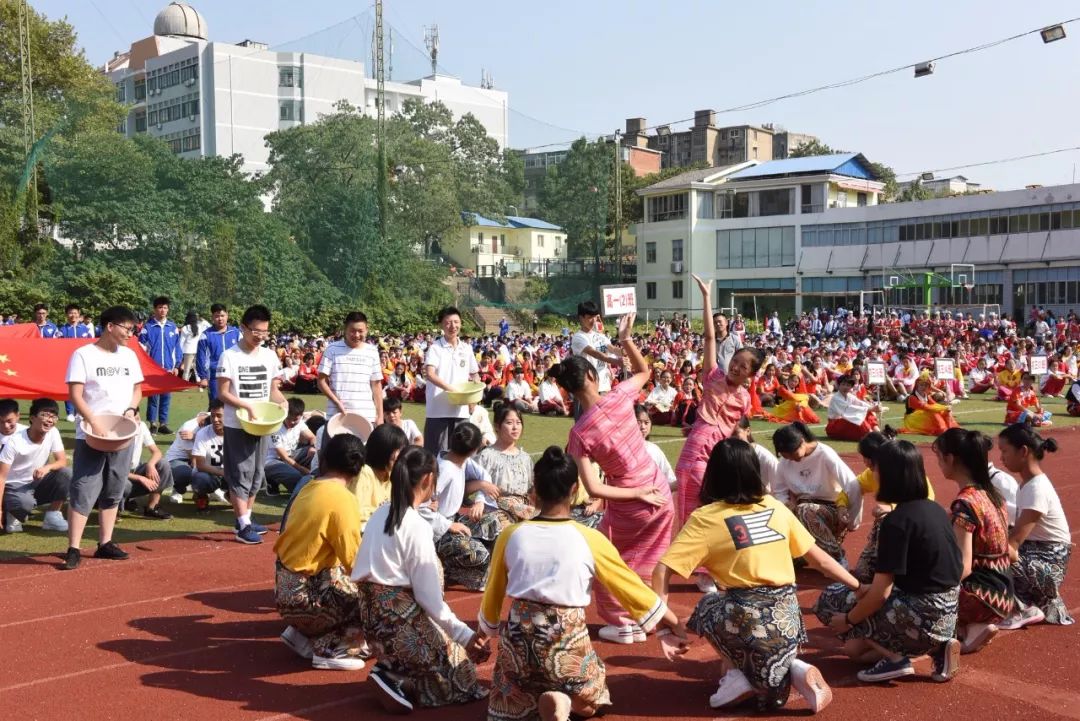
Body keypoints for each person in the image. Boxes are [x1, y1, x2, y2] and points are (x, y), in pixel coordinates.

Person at [481, 446, 688, 721]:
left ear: (535, 489)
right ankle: (565, 701)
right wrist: (669, 623)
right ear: (575, 489)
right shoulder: (590, 538)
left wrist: (486, 631)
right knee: (593, 701)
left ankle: (531, 699)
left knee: (510, 705)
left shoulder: (511, 534)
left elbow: (494, 590)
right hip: (564, 637)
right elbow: (629, 587)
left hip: (519, 636)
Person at [654, 438, 858, 713]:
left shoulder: (706, 518)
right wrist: (858, 585)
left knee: (707, 605)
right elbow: (821, 559)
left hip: (745, 615)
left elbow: (662, 569)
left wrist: (663, 625)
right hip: (788, 617)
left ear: (714, 474)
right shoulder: (775, 508)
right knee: (770, 699)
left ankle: (740, 676)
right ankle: (790, 666)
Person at [549, 312, 671, 644]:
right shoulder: (620, 397)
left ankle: (622, 623)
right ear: (592, 375)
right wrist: (626, 338)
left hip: (633, 499)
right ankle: (643, 617)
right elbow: (645, 371)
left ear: (569, 390)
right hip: (658, 488)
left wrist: (635, 495)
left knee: (606, 560)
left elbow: (592, 487)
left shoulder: (579, 433)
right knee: (645, 558)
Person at [352, 445, 489, 714]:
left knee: (441, 642)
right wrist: (466, 636)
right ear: (428, 479)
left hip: (370, 618)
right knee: (461, 674)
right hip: (395, 621)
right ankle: (398, 679)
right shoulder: (416, 526)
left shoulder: (382, 512)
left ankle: (392, 665)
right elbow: (430, 601)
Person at [815, 440, 963, 684]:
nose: (872, 474)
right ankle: (936, 648)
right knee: (854, 650)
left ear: (889, 475)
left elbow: (880, 594)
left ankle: (897, 658)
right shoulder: (936, 509)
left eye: (876, 469)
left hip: (920, 614)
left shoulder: (895, 522)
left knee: (831, 598)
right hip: (948, 614)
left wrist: (849, 620)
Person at [674, 276, 757, 593]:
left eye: (744, 366)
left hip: (718, 462)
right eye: (735, 362)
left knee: (718, 513)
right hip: (695, 458)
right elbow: (710, 337)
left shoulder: (745, 399)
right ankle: (701, 572)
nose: (736, 368)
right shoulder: (712, 377)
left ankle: (712, 567)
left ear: (752, 373)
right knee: (694, 515)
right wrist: (707, 297)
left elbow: (737, 433)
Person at [274, 433, 367, 671]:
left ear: (325, 459)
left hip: (285, 588)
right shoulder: (343, 500)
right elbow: (356, 564)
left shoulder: (309, 487)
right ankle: (333, 648)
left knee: (339, 574)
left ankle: (302, 635)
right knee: (379, 598)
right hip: (302, 597)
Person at [63, 305, 144, 570]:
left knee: (114, 486)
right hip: (91, 433)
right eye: (127, 328)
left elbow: (137, 390)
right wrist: (94, 422)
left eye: (132, 329)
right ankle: (73, 547)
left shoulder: (130, 356)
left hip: (122, 432)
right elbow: (75, 395)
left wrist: (131, 410)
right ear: (110, 326)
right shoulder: (83, 355)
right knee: (84, 487)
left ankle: (105, 542)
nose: (130, 333)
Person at [932, 428, 1017, 654]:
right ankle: (970, 626)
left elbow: (963, 567)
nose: (938, 463)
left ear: (950, 458)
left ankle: (965, 625)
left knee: (918, 593)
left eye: (939, 457)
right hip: (1005, 592)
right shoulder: (992, 495)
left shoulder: (965, 504)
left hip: (982, 597)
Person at [216, 304, 286, 545]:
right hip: (238, 424)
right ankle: (242, 525)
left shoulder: (269, 355)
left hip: (263, 423)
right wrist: (245, 406)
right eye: (256, 332)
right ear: (243, 328)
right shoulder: (230, 356)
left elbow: (273, 389)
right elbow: (223, 392)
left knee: (257, 474)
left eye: (264, 332)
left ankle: (245, 517)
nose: (260, 337)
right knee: (240, 472)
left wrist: (282, 402)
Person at [997, 424, 1073, 627]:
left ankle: (1021, 608)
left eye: (1005, 451)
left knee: (988, 557)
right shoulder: (1027, 485)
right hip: (1039, 558)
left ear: (1023, 451)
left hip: (1048, 564)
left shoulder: (1036, 489)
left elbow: (1013, 545)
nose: (1001, 458)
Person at [772, 422, 862, 565]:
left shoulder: (825, 454)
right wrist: (786, 504)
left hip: (830, 510)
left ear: (802, 442)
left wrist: (851, 520)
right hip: (799, 510)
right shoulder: (784, 462)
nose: (790, 458)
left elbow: (853, 485)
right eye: (785, 455)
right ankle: (805, 554)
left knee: (805, 510)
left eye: (792, 453)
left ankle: (837, 557)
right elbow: (779, 491)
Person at [417, 422, 493, 590]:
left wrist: (480, 500)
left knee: (492, 524)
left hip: (455, 518)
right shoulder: (443, 470)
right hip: (438, 531)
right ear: (474, 450)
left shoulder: (463, 461)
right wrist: (449, 525)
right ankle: (450, 570)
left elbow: (485, 477)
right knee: (479, 554)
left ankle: (478, 571)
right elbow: (421, 507)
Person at [0, 398, 70, 534]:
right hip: (13, 486)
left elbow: (62, 461)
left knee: (67, 474)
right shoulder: (14, 442)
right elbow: (1, 477)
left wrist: (47, 467)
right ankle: (13, 512)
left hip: (36, 481)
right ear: (32, 418)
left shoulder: (53, 432)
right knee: (24, 503)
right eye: (44, 415)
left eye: (53, 416)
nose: (49, 420)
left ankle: (53, 515)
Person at [468, 404, 536, 539]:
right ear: (497, 427)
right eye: (509, 423)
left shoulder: (525, 458)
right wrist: (482, 487)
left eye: (518, 423)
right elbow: (463, 486)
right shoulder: (486, 456)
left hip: (524, 509)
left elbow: (532, 490)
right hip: (496, 509)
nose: (515, 427)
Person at [423, 307, 480, 453]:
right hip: (438, 410)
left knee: (460, 454)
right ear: (442, 325)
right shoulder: (435, 348)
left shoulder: (466, 348)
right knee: (436, 455)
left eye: (456, 322)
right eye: (448, 323)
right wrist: (451, 389)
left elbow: (474, 375)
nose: (452, 326)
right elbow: (430, 374)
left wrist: (472, 400)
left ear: (461, 323)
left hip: (460, 411)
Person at [318, 311, 384, 427]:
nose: (357, 335)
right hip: (337, 415)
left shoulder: (372, 351)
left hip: (366, 415)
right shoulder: (332, 349)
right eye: (352, 331)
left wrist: (380, 416)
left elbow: (376, 385)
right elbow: (321, 381)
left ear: (366, 330)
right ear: (345, 329)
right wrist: (337, 402)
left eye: (360, 331)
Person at [352, 423, 410, 532]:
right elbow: (358, 514)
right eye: (399, 450)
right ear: (384, 448)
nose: (402, 455)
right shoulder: (365, 473)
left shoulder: (391, 475)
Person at [570, 301, 622, 416]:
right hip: (586, 388)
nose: (593, 321)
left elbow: (612, 349)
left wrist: (627, 350)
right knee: (585, 425)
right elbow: (594, 353)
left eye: (595, 317)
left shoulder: (600, 336)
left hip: (603, 386)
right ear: (581, 318)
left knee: (602, 425)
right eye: (589, 318)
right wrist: (616, 361)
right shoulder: (578, 337)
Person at [122, 408, 175, 520]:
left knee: (162, 464)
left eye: (138, 418)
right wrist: (141, 478)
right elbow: (114, 470)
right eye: (133, 419)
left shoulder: (141, 426)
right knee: (124, 485)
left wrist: (150, 465)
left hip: (133, 470)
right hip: (116, 476)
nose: (137, 422)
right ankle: (112, 506)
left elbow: (157, 452)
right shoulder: (116, 432)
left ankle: (152, 507)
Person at [139, 296, 182, 435]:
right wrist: (145, 366)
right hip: (153, 369)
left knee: (166, 397)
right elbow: (141, 347)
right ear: (155, 309)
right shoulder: (148, 327)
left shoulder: (173, 327)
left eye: (165, 307)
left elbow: (177, 347)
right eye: (160, 307)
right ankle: (153, 423)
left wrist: (176, 366)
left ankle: (163, 423)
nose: (162, 310)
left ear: (168, 309)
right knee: (153, 398)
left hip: (168, 368)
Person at [264, 397, 316, 496]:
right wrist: (306, 472)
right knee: (296, 476)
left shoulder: (300, 423)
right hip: (273, 461)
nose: (291, 422)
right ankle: (271, 480)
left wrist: (313, 447)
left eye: (295, 419)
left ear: (301, 416)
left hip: (290, 455)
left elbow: (312, 437)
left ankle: (311, 481)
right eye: (288, 418)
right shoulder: (275, 428)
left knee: (315, 452)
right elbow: (285, 458)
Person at [195, 304, 241, 404]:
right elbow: (200, 357)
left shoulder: (236, 333)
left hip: (235, 375)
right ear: (212, 317)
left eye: (222, 315)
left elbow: (244, 354)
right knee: (216, 405)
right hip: (215, 377)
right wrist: (203, 377)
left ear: (227, 315)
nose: (220, 319)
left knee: (235, 405)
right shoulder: (206, 335)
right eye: (217, 316)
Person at [190, 402, 229, 510]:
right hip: (208, 473)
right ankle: (201, 496)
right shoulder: (202, 433)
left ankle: (231, 494)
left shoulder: (235, 433)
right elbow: (200, 465)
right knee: (200, 479)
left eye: (219, 416)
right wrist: (223, 473)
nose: (215, 419)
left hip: (229, 472)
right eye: (213, 416)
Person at [59, 303, 94, 421]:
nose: (72, 315)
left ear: (79, 315)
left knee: (84, 386)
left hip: (84, 362)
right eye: (70, 313)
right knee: (70, 386)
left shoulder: (85, 329)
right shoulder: (62, 330)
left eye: (75, 313)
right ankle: (70, 411)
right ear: (66, 315)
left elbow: (91, 345)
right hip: (67, 362)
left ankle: (81, 410)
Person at [825, 374, 881, 442]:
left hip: (845, 423)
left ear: (851, 387)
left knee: (867, 412)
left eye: (848, 385)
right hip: (834, 427)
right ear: (839, 385)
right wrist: (871, 409)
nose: (845, 387)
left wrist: (873, 407)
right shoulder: (836, 398)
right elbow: (849, 409)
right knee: (858, 415)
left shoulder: (849, 396)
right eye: (843, 384)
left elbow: (861, 404)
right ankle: (872, 435)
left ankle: (878, 433)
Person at [634, 405, 676, 491]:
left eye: (646, 423)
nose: (643, 427)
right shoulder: (621, 451)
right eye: (638, 422)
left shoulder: (654, 449)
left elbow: (669, 477)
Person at [177, 310, 207, 385]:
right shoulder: (200, 327)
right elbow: (207, 325)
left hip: (188, 351)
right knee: (197, 369)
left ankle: (184, 384)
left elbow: (181, 342)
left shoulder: (185, 328)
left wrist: (180, 353)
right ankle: (199, 383)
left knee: (186, 369)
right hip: (198, 350)